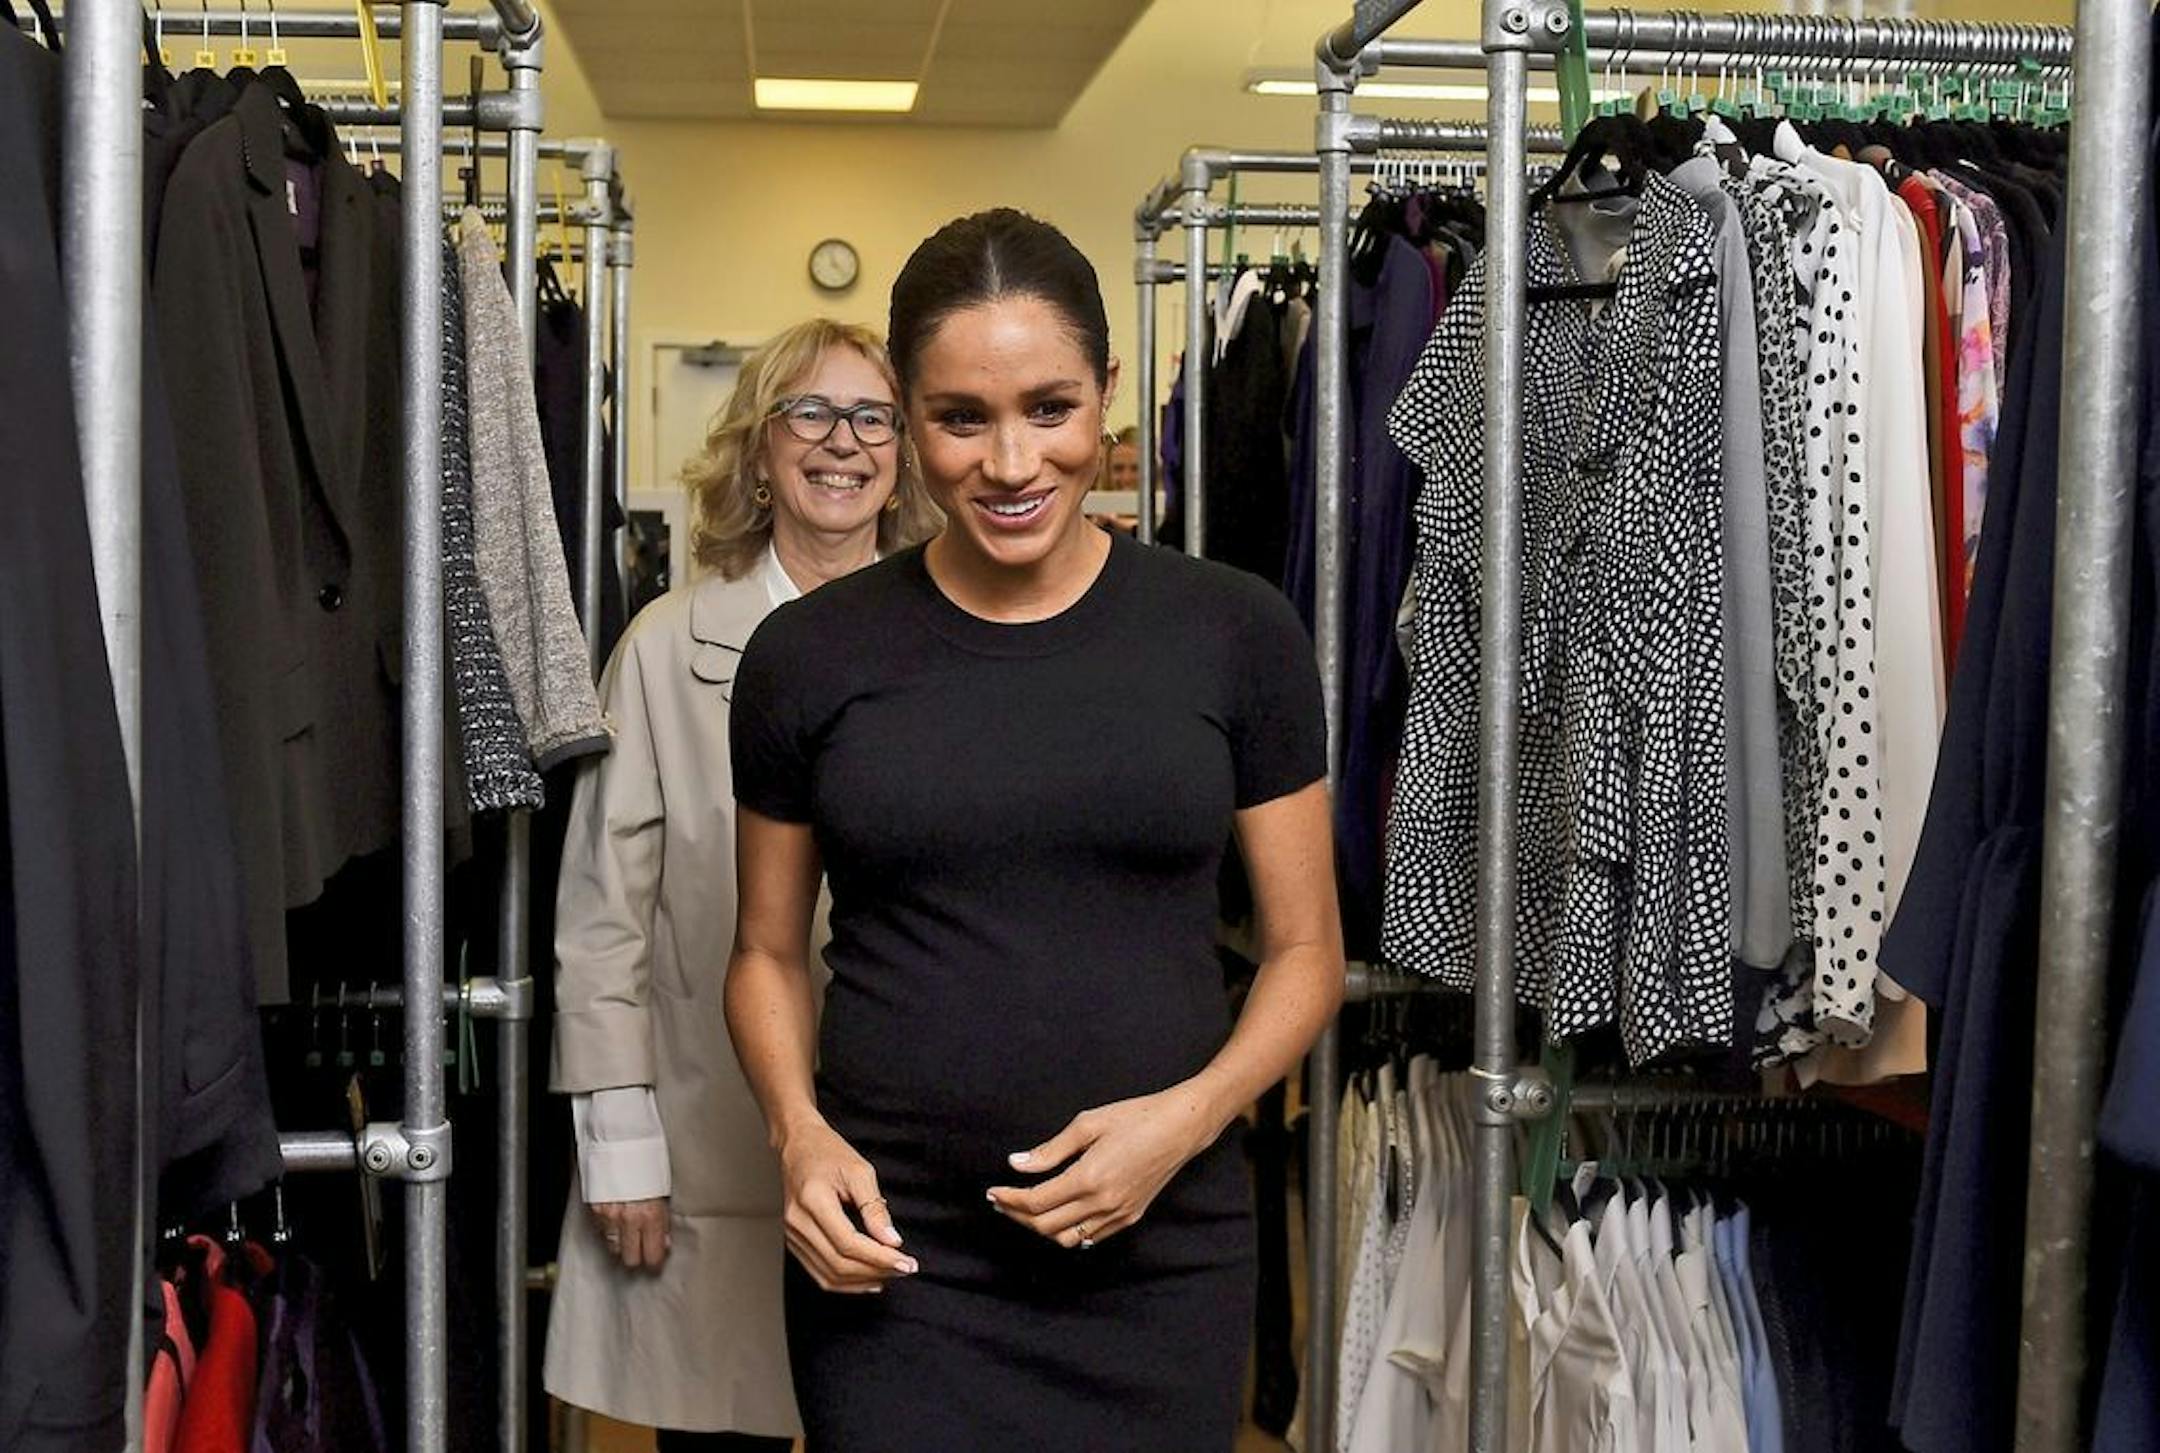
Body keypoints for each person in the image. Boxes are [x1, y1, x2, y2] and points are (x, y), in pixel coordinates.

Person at [726, 209, 1345, 1451]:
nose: (1010, 464)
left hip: (1159, 1247)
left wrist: (1188, 1119)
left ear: (1109, 396)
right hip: (895, 1261)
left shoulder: (1236, 633)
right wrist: (798, 1136)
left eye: (1050, 410)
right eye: (961, 418)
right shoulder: (808, 655)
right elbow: (766, 953)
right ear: (906, 414)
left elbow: (1305, 955)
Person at [544, 319, 939, 1452]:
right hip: (717, 1143)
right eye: (808, 414)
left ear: (904, 452)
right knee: (727, 1431)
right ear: (758, 450)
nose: (842, 444)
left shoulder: (953, 638)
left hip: (910, 1132)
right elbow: (602, 917)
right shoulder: (668, 647)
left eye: (872, 417)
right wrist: (618, 1139)